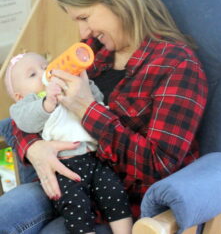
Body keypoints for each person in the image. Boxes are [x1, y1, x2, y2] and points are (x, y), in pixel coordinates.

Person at [0, 0, 208, 234]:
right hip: (67, 180)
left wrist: (87, 109)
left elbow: (160, 166)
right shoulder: (93, 53)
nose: (83, 31)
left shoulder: (177, 67)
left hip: (121, 208)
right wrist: (34, 148)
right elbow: (29, 111)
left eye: (84, 17)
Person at [4, 51, 132, 234]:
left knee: (114, 192)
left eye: (44, 66)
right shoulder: (29, 104)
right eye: (33, 75)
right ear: (19, 96)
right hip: (64, 167)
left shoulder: (68, 89)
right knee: (74, 206)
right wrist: (48, 102)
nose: (44, 73)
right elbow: (26, 122)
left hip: (94, 158)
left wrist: (84, 86)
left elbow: (96, 100)